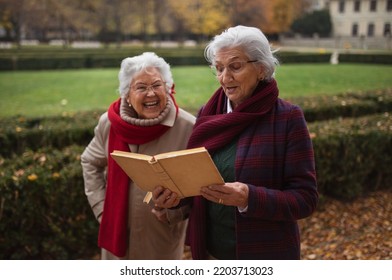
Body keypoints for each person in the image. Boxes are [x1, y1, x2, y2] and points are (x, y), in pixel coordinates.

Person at [152, 26, 318, 260]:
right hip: (209, 255)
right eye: (219, 69)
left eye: (235, 67)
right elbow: (197, 188)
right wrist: (172, 201)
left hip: (265, 256)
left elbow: (305, 199)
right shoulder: (209, 113)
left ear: (261, 69)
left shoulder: (288, 118)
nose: (224, 78)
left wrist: (249, 198)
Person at [81, 52, 195, 260]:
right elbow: (89, 162)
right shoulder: (109, 123)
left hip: (161, 242)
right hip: (116, 241)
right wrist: (101, 209)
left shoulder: (188, 127)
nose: (150, 94)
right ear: (127, 94)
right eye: (141, 87)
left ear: (168, 87)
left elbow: (200, 188)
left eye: (157, 85)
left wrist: (173, 211)